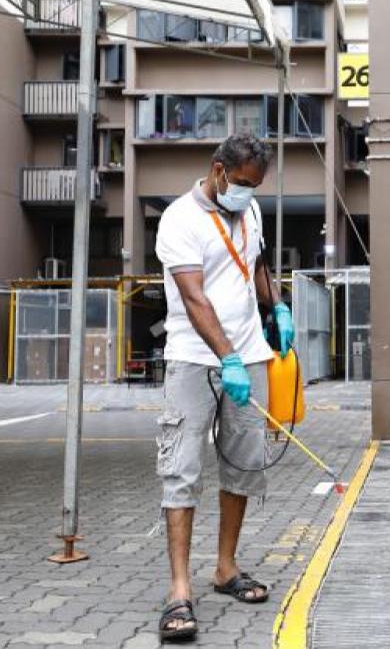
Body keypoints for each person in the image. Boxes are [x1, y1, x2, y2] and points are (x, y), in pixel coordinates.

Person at [151, 134, 295, 642]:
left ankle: (226, 568)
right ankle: (179, 590)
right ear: (217, 171)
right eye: (241, 184)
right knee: (181, 469)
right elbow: (193, 297)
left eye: (255, 187)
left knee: (242, 464)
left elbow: (254, 263)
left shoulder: (249, 212)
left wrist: (275, 304)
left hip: (251, 355)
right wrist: (226, 357)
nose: (247, 194)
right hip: (194, 360)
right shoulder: (179, 220)